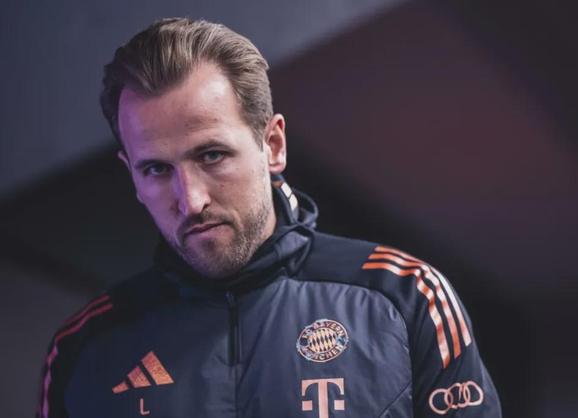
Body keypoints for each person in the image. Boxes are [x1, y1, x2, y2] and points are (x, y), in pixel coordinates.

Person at [37, 17, 501, 418]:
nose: (191, 200)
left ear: (272, 145)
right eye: (157, 170)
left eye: (212, 155)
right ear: (132, 177)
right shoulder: (84, 351)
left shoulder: (406, 298)